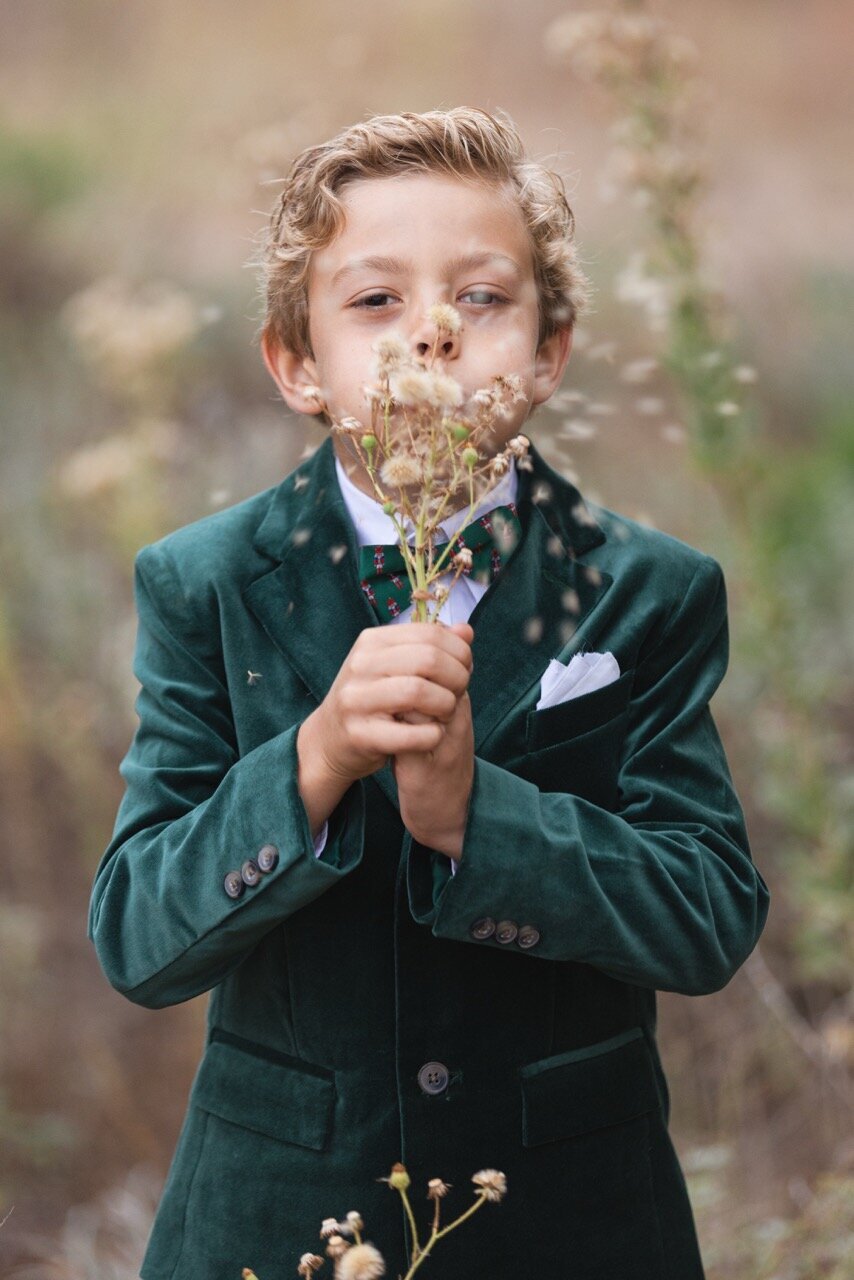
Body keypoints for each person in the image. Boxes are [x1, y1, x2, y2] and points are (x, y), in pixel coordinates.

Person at [88, 106, 770, 1280]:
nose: (432, 336)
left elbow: (705, 911)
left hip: (568, 1223)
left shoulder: (645, 589)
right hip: (281, 1216)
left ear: (549, 351)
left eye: (483, 297)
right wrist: (311, 763)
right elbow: (139, 938)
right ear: (297, 363)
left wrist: (474, 819)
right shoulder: (205, 582)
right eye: (374, 302)